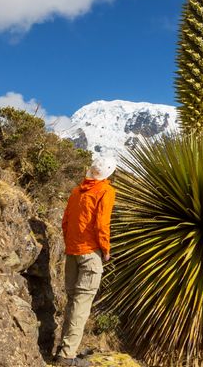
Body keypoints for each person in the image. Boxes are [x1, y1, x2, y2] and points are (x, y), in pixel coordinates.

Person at [54, 155, 117, 366]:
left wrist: (71, 244)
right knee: (81, 305)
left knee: (72, 302)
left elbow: (65, 222)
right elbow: (101, 224)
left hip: (72, 252)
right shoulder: (106, 192)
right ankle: (67, 356)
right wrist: (105, 249)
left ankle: (63, 350)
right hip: (90, 254)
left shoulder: (75, 192)